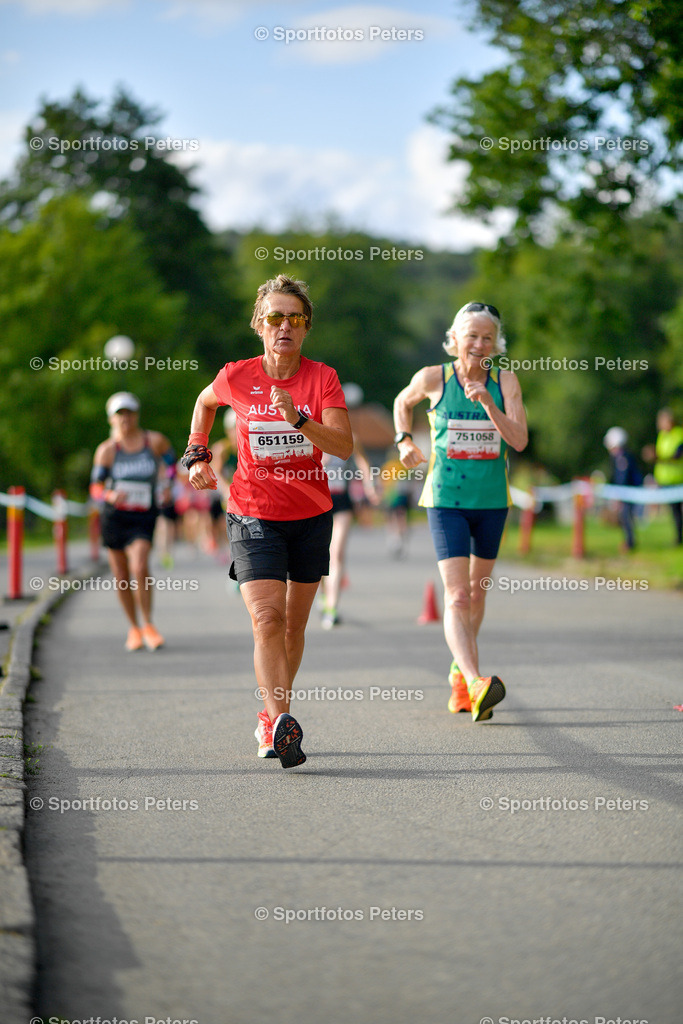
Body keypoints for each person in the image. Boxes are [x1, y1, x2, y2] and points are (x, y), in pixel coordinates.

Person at [184, 274, 352, 769]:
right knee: (267, 619)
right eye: (274, 317)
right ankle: (280, 723)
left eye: (294, 319)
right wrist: (196, 453)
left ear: (305, 329)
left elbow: (342, 446)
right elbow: (203, 403)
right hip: (252, 512)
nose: (284, 326)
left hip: (311, 514)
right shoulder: (237, 376)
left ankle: (272, 716)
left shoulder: (323, 378)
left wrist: (298, 418)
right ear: (259, 324)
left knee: (294, 628)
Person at [393, 301, 528, 722]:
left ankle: (459, 675)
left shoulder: (504, 381)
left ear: (496, 345)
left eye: (488, 337)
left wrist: (489, 404)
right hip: (446, 499)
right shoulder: (434, 377)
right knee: (456, 595)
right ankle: (474, 680)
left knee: (477, 593)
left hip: (491, 502)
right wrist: (404, 441)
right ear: (454, 340)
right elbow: (403, 401)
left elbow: (520, 440)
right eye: (471, 335)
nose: (479, 343)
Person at [90, 392, 175, 651]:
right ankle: (134, 628)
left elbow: (174, 464)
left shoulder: (154, 442)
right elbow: (95, 487)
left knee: (139, 566)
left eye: (129, 413)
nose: (125, 418)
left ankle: (148, 624)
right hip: (115, 517)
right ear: (111, 419)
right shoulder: (107, 450)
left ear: (137, 415)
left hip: (143, 515)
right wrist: (109, 494)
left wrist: (168, 485)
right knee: (121, 575)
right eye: (119, 414)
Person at [320, 441, 378, 629]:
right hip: (317, 502)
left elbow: (362, 460)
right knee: (318, 556)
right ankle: (324, 595)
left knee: (336, 554)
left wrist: (370, 486)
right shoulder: (306, 426)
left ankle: (332, 608)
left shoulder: (348, 434)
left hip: (341, 502)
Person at [643, 408, 683, 545]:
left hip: (679, 480)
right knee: (675, 512)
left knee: (679, 511)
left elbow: (677, 456)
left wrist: (657, 457)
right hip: (667, 481)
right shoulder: (662, 436)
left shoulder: (679, 435)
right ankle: (679, 538)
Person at [603, 427, 643, 551]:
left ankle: (629, 543)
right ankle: (628, 541)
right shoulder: (621, 456)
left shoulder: (622, 457)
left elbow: (622, 478)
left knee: (626, 517)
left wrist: (618, 494)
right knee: (625, 517)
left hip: (628, 492)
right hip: (626, 491)